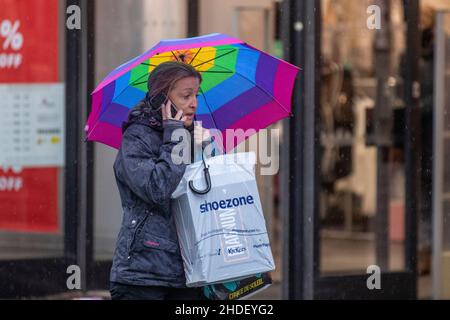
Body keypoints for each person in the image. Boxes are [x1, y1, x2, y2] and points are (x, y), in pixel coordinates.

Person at [109, 61, 212, 300]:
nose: (194, 103)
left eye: (196, 95)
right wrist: (176, 137)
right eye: (186, 96)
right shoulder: (136, 138)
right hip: (143, 275)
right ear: (160, 99)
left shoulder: (192, 136)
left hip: (190, 272)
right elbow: (158, 188)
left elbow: (206, 196)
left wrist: (207, 152)